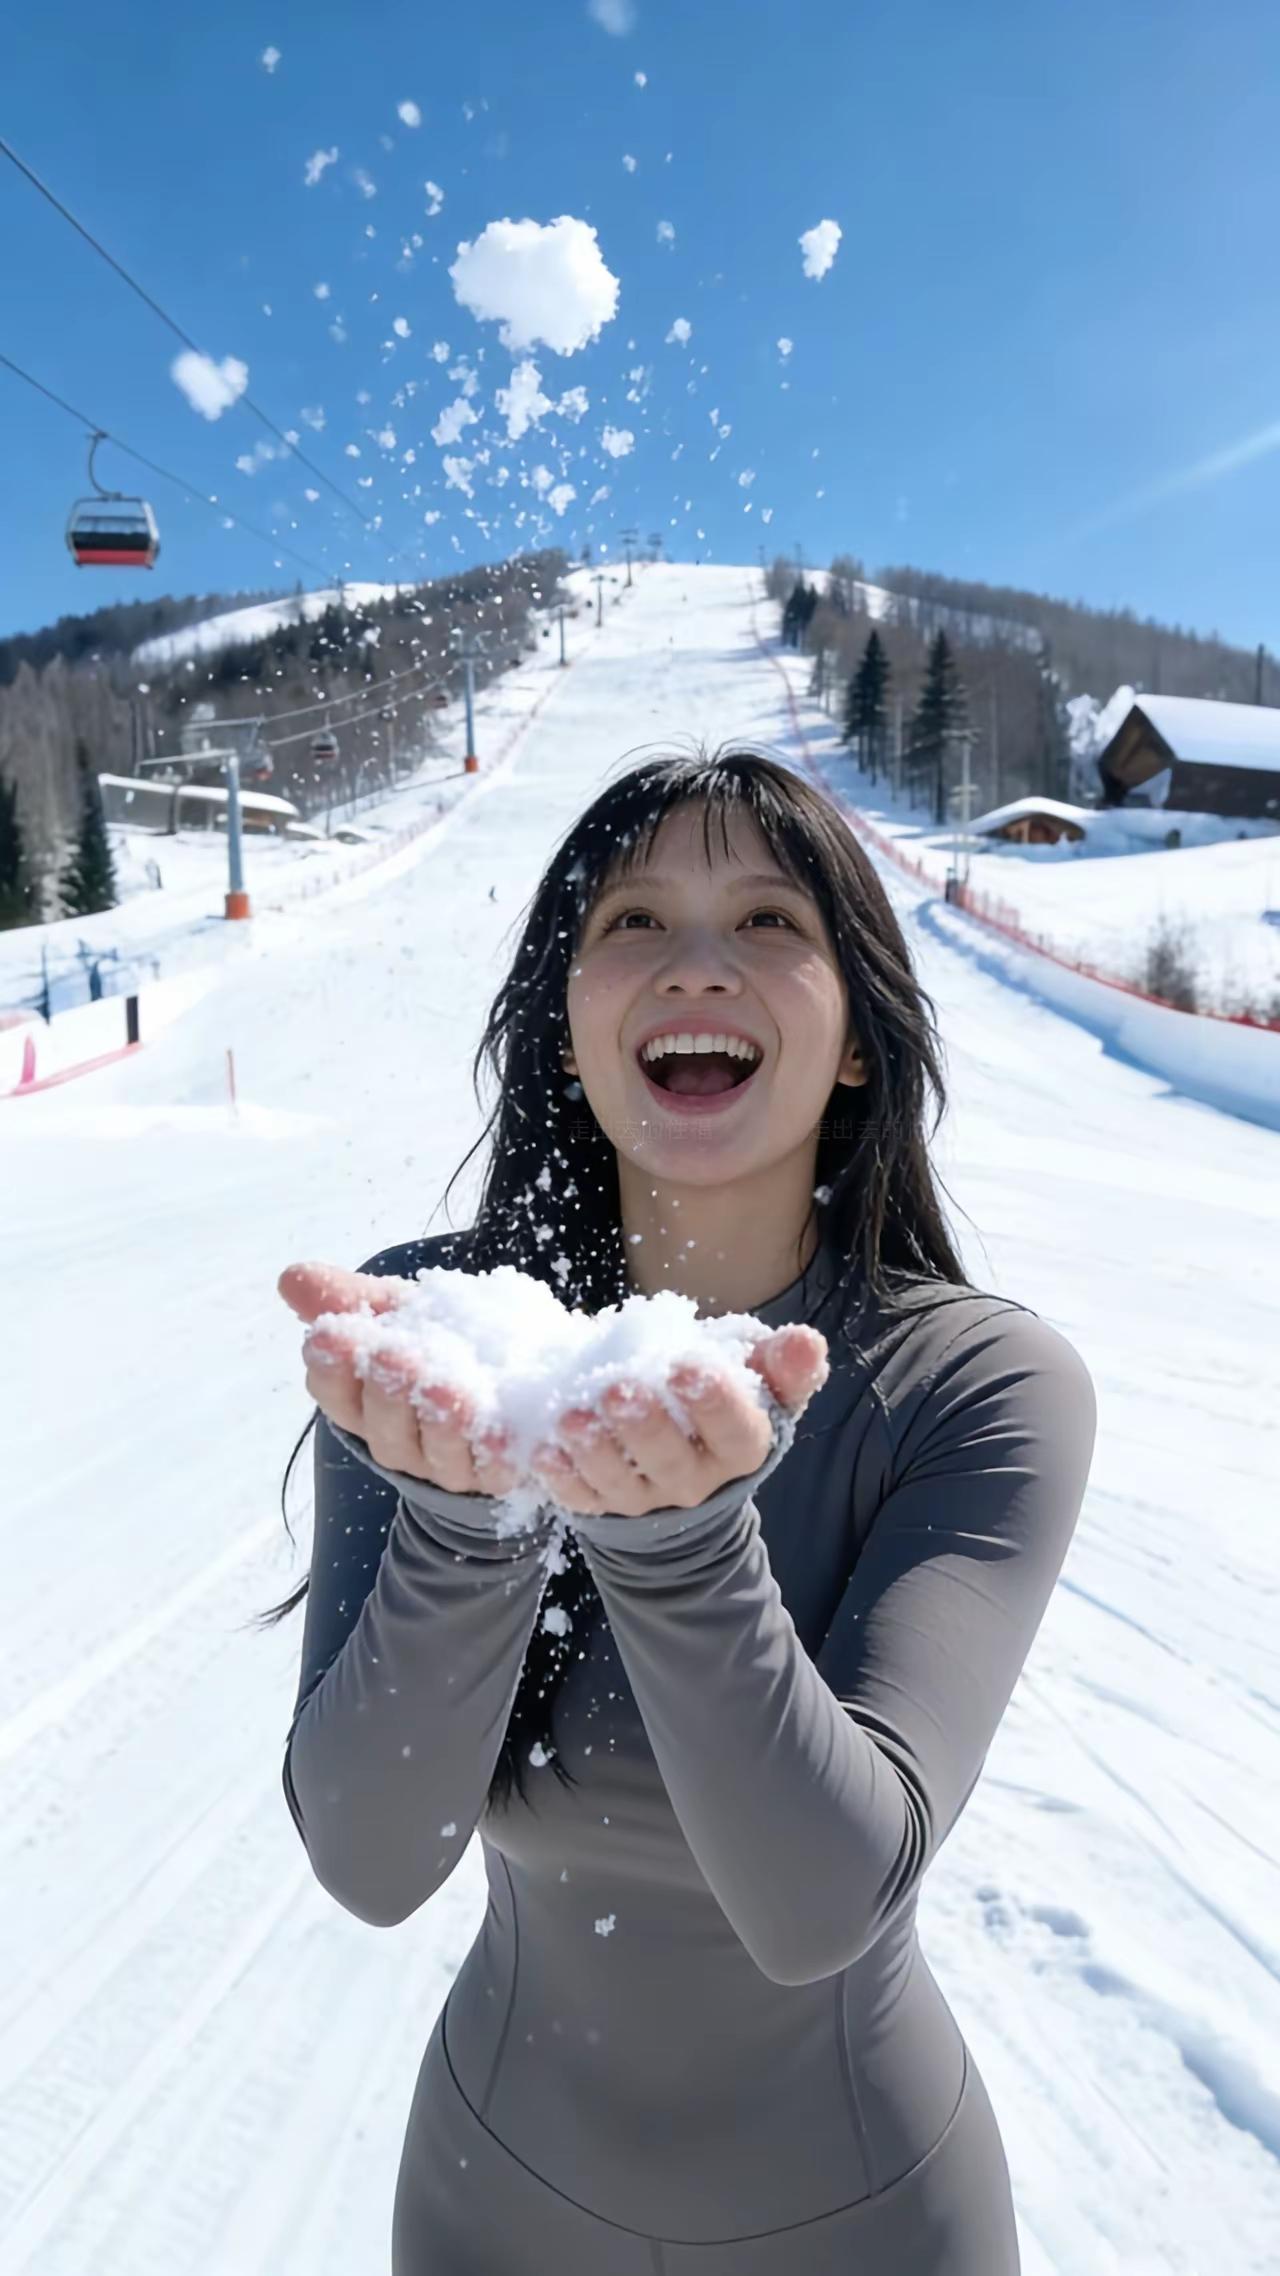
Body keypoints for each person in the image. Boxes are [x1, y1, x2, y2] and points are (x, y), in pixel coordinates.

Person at [261, 745, 1096, 2275]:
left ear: (859, 1041)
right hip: (491, 2206)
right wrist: (465, 1519)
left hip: (869, 2220)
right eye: (632, 921)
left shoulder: (972, 1383)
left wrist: (680, 1548)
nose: (696, 962)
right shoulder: (444, 1344)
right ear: (569, 1021)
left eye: (770, 920)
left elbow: (821, 1902)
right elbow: (372, 1863)